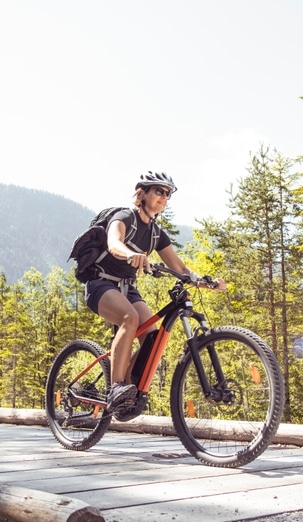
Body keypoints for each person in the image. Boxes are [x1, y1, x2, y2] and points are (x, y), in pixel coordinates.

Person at [84, 170, 226, 413]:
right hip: (101, 283)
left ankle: (127, 390)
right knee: (130, 318)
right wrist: (131, 254)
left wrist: (205, 282)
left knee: (152, 335)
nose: (164, 196)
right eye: (159, 191)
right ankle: (116, 386)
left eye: (167, 194)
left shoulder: (156, 233)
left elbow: (179, 267)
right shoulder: (124, 216)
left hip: (128, 289)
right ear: (142, 193)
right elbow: (114, 243)